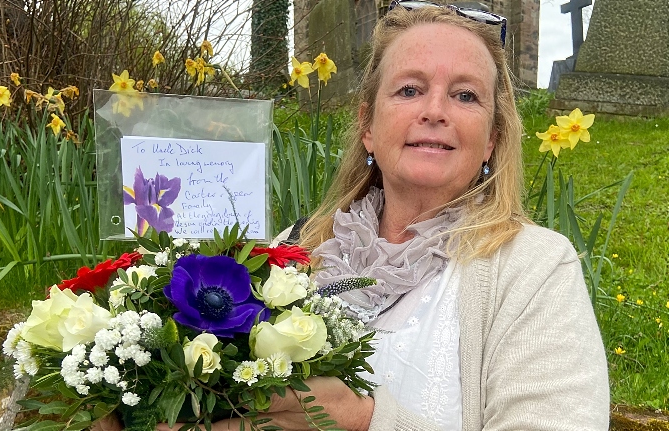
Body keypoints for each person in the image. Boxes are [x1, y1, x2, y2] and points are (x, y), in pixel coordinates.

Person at [97, 2, 610, 430]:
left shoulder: (534, 268)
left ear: (492, 138)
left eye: (465, 95)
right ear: (367, 125)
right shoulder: (294, 250)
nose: (435, 110)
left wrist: (366, 420)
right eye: (409, 90)